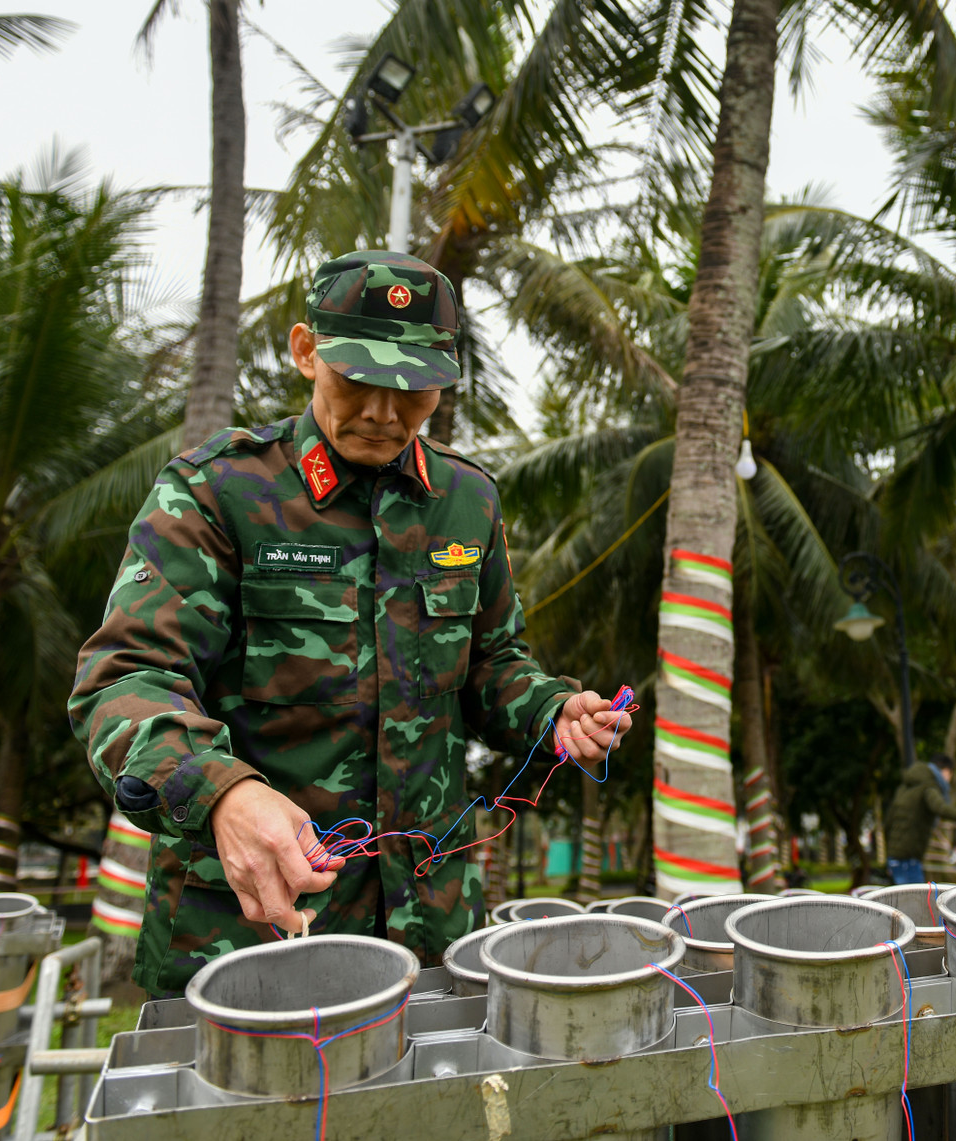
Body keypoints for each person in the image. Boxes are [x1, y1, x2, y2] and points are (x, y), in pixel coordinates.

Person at [67, 250, 630, 994]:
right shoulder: (219, 492)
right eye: (358, 379)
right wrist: (221, 790)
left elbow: (492, 663)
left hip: (430, 928)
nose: (384, 412)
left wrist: (552, 710)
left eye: (415, 390)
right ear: (306, 351)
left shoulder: (467, 502)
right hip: (252, 932)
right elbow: (125, 677)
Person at [882, 755, 956, 884]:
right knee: (915, 900)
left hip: (894, 856)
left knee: (904, 899)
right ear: (946, 771)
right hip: (909, 857)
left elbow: (888, 821)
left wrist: (890, 851)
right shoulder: (929, 786)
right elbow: (940, 808)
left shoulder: (904, 787)